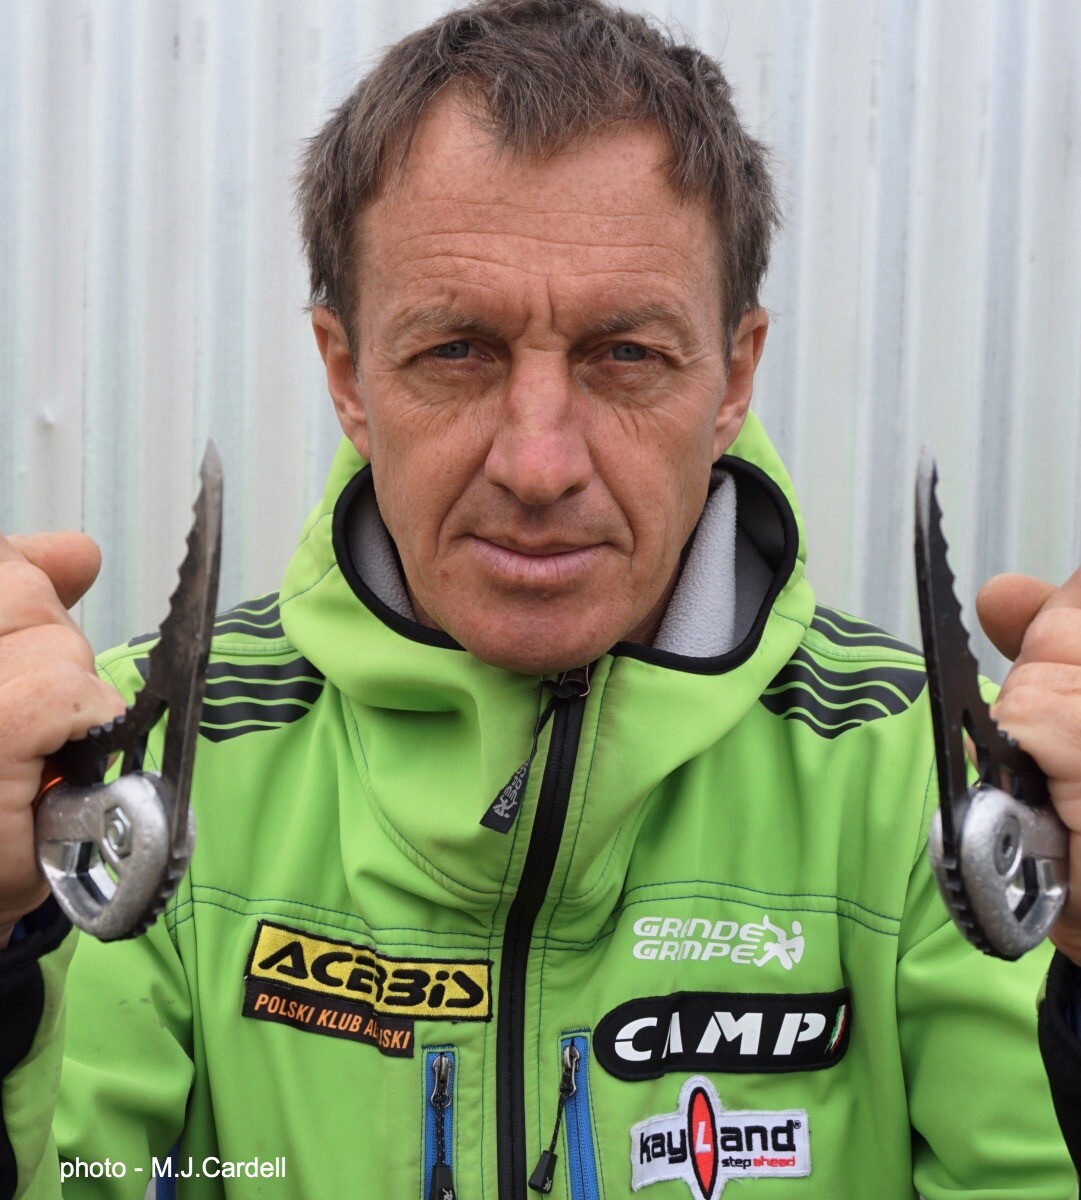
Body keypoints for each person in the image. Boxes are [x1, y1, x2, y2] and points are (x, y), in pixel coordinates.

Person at [1, 1, 1080, 1195]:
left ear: (732, 378)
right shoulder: (141, 764)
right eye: (456, 350)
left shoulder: (931, 780)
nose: (537, 462)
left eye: (626, 355)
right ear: (348, 377)